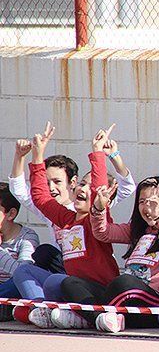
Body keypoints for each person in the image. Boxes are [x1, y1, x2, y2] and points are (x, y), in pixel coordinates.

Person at [55, 177, 159, 333]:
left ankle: (86, 318)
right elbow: (103, 233)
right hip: (124, 298)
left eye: (152, 201)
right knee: (70, 283)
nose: (147, 207)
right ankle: (98, 319)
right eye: (142, 202)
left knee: (123, 282)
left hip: (152, 302)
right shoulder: (136, 230)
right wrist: (99, 209)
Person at [13, 123, 119, 329]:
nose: (83, 189)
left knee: (65, 282)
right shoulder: (66, 218)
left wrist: (98, 153)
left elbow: (99, 191)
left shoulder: (97, 219)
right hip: (71, 284)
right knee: (44, 278)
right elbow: (40, 197)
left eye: (89, 186)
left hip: (98, 290)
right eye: (82, 184)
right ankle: (43, 311)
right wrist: (37, 155)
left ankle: (94, 319)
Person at [9, 135, 134, 274]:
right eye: (46, 183)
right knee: (31, 267)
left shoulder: (97, 211)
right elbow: (34, 195)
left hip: (96, 280)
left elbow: (110, 190)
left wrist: (108, 154)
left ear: (72, 182)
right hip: (66, 273)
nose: (50, 188)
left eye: (57, 182)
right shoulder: (61, 215)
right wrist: (29, 156)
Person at [0, 183, 39, 320]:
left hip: (11, 292)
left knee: (18, 282)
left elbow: (23, 273)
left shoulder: (27, 237)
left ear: (11, 214)